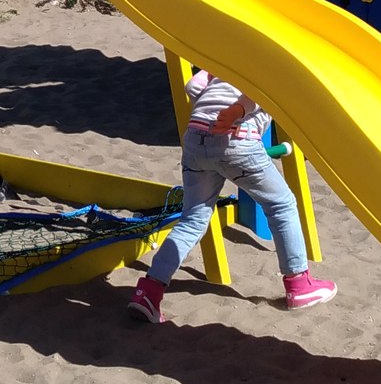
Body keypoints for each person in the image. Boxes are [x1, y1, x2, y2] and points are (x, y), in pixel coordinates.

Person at [128, 67, 336, 323]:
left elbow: (193, 86)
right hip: (236, 137)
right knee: (281, 205)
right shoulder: (267, 61)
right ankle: (299, 284)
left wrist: (212, 111)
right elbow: (259, 92)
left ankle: (149, 292)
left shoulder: (221, 63)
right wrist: (236, 111)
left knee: (192, 220)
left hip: (195, 138)